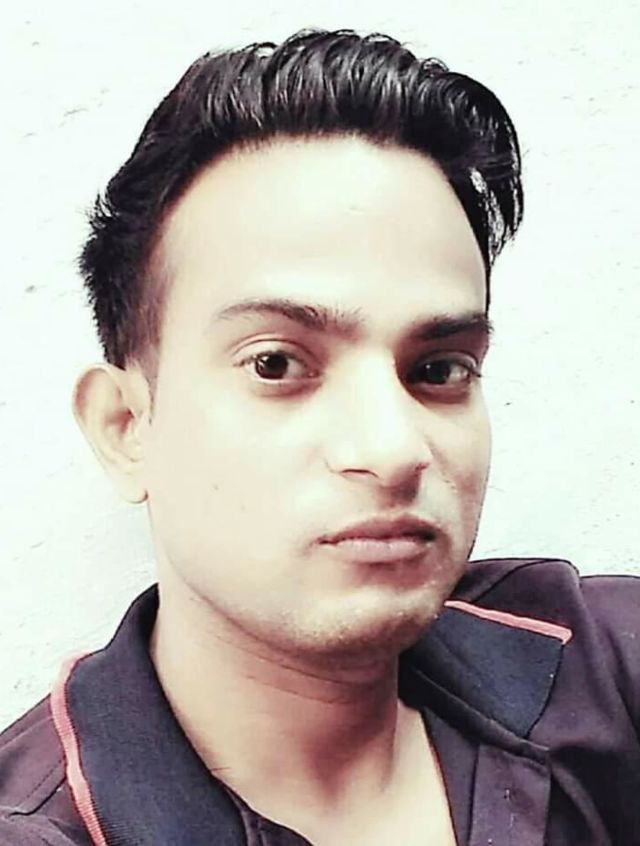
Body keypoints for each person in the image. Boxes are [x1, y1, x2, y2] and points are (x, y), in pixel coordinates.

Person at [1, 27, 638, 846]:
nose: (393, 449)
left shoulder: (603, 667)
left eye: (438, 368)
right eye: (276, 364)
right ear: (126, 428)